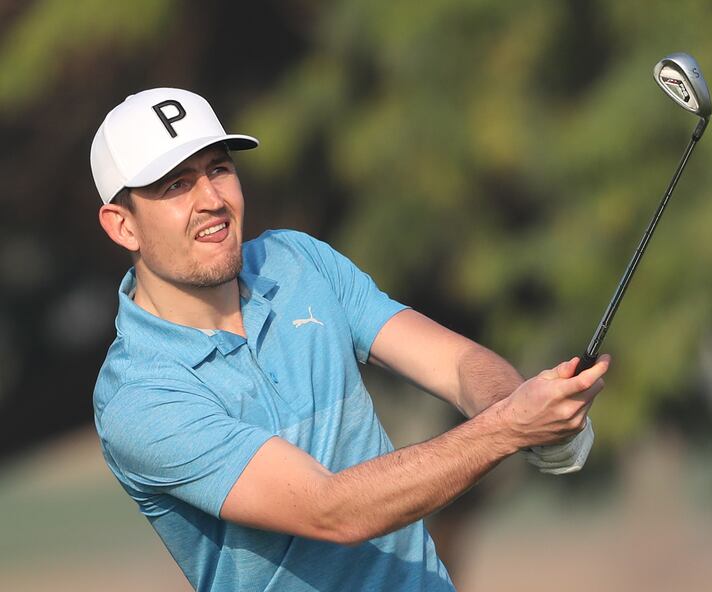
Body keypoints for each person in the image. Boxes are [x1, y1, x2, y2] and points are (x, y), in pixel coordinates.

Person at [91, 87, 610, 592]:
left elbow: (453, 364)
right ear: (122, 227)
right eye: (175, 185)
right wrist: (510, 428)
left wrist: (524, 407)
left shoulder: (296, 261)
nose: (211, 200)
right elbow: (332, 510)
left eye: (219, 169)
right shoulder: (138, 397)